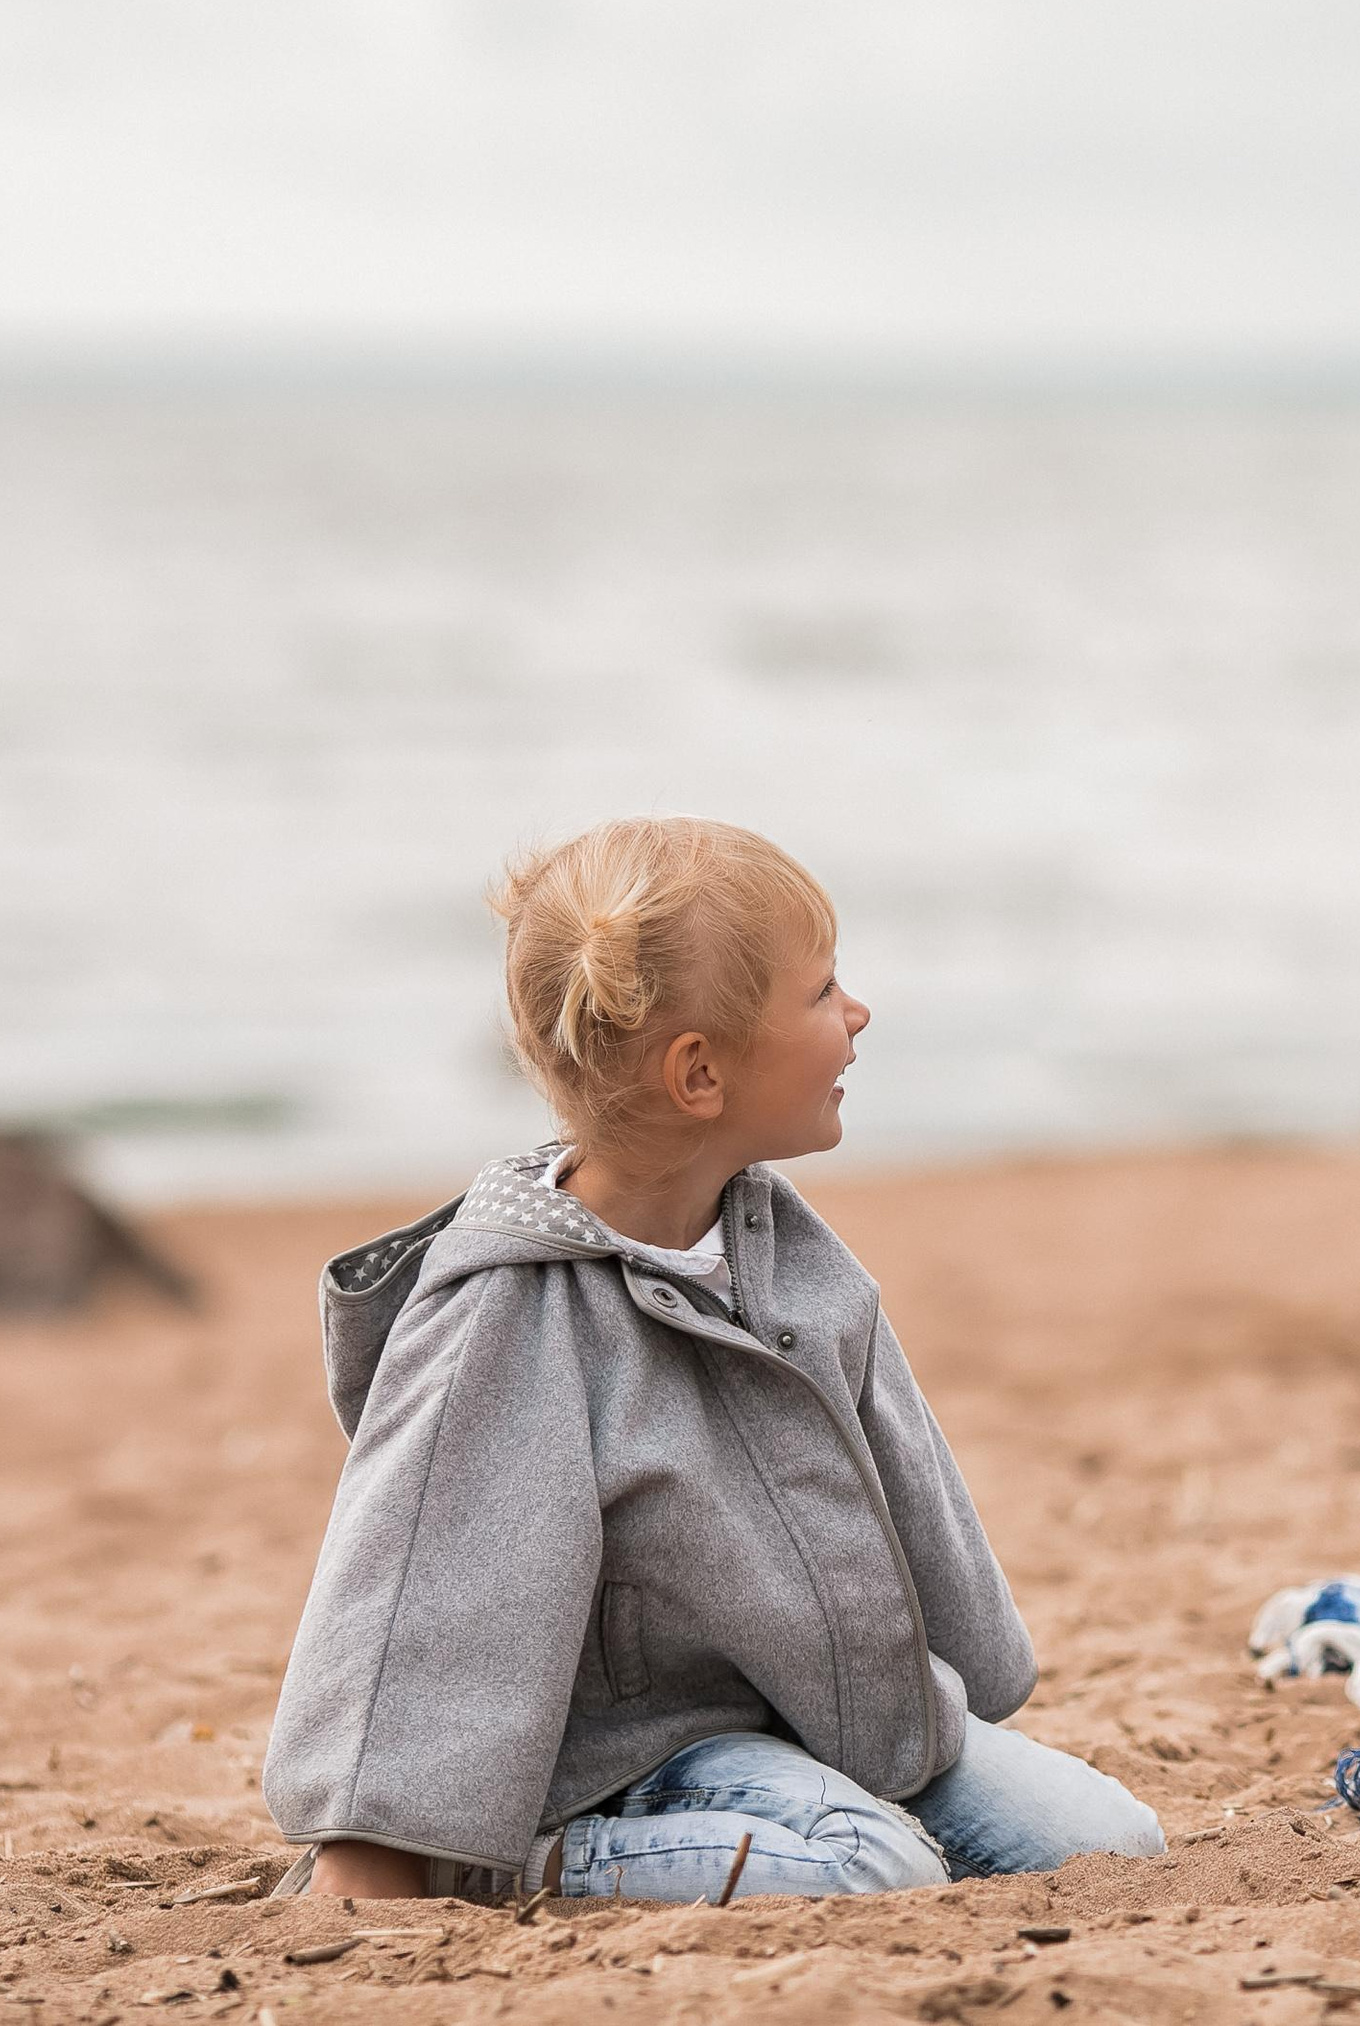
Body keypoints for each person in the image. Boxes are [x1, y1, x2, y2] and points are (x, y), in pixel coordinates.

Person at [262, 815, 1164, 1902]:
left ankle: (834, 1805)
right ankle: (510, 1870)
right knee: (871, 1867)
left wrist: (960, 1674)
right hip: (621, 1760)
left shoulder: (781, 1249)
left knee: (1116, 1844)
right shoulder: (510, 1311)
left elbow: (903, 1477)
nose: (859, 1013)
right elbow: (419, 1583)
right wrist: (381, 1842)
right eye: (824, 992)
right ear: (700, 1074)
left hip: (817, 1707)